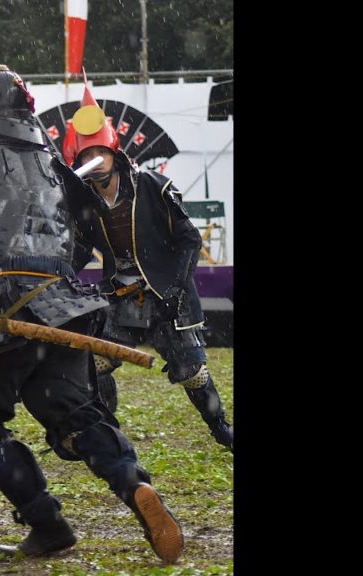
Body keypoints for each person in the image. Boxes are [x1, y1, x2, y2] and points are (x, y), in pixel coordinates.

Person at [0, 65, 183, 562]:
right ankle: (134, 486)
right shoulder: (54, 165)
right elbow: (86, 232)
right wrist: (50, 271)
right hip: (63, 303)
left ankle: (47, 523)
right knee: (76, 415)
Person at [62, 78, 233, 451]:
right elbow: (80, 250)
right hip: (119, 295)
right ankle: (109, 432)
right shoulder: (86, 202)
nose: (93, 165)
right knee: (97, 364)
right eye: (85, 158)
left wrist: (173, 287)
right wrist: (57, 277)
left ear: (113, 152)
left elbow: (190, 239)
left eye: (98, 155)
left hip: (165, 292)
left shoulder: (153, 186)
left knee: (193, 373)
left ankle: (221, 428)